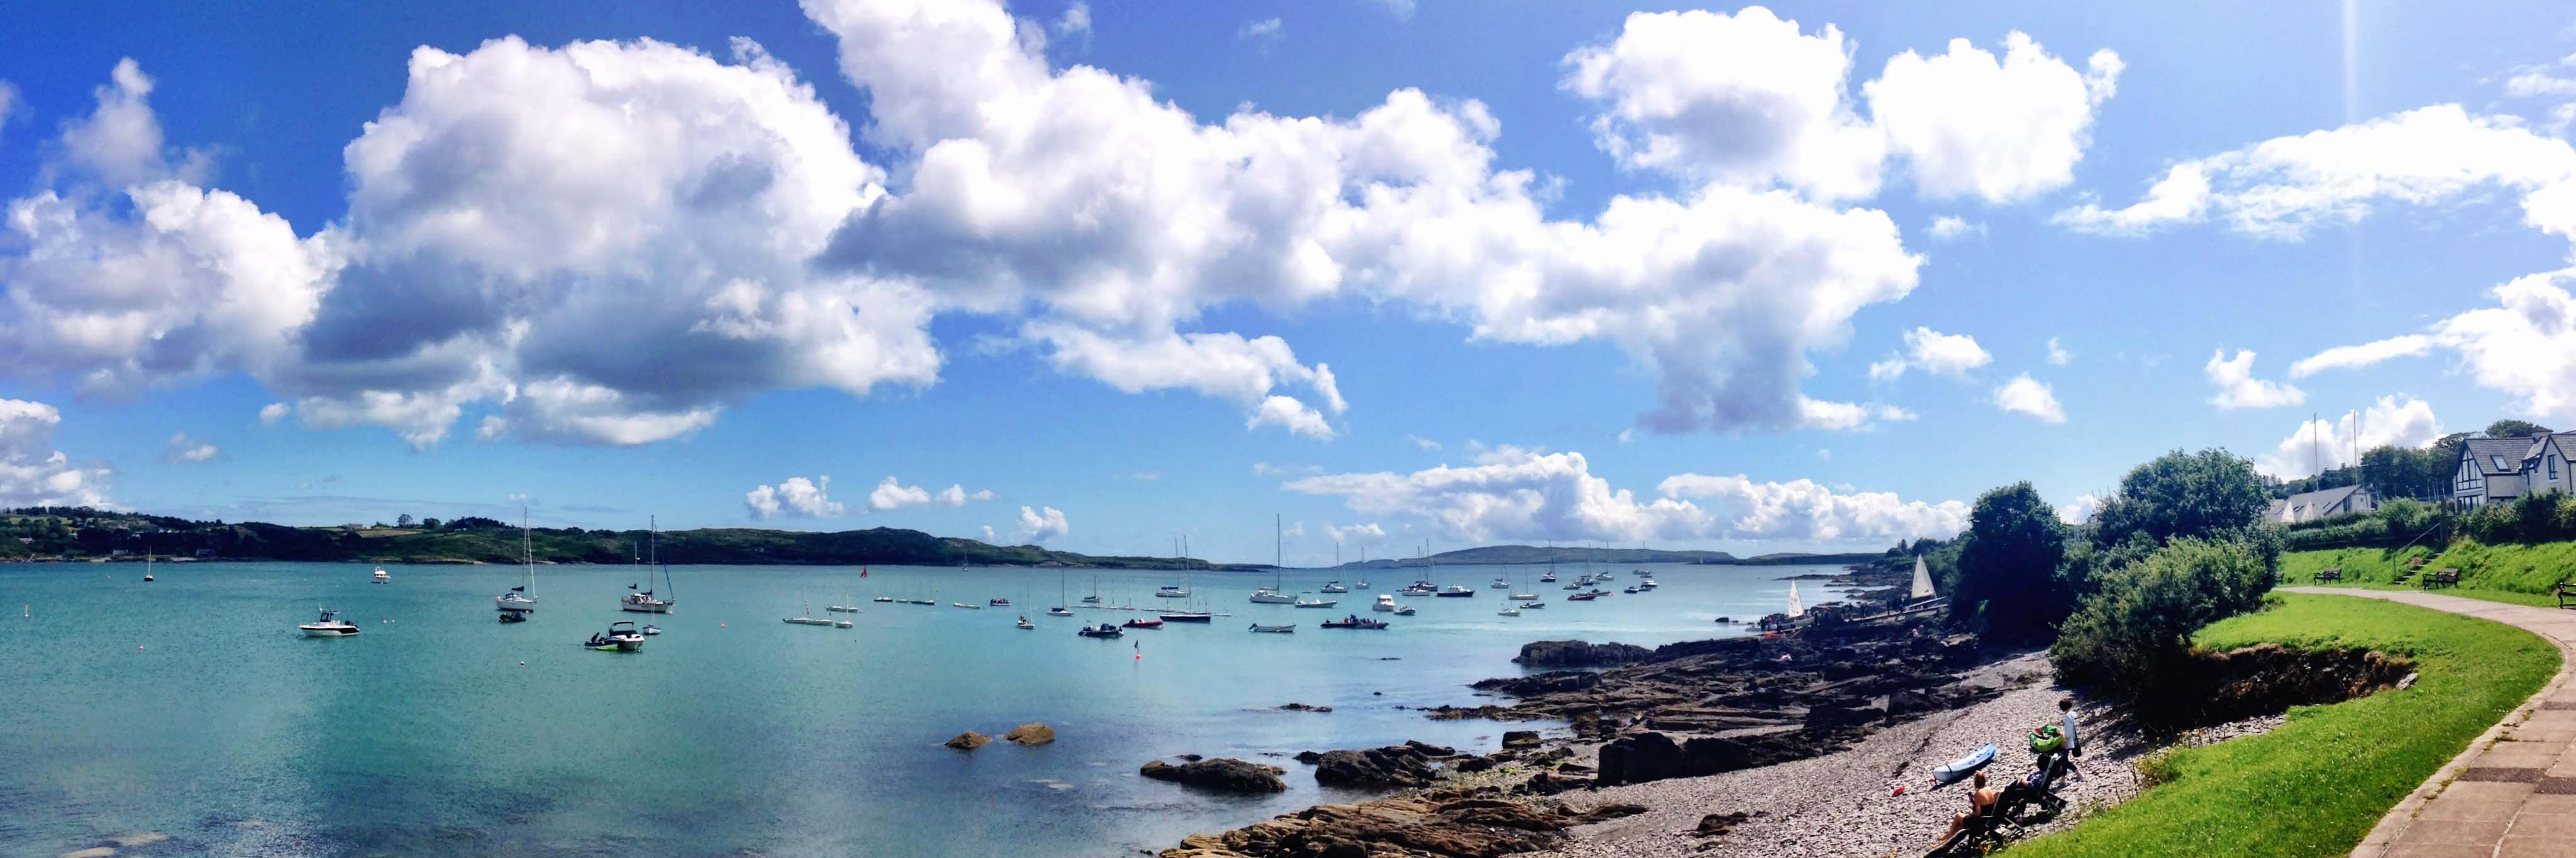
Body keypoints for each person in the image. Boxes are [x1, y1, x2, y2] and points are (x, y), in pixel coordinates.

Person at [1934, 771, 2006, 845]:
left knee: (1958, 815)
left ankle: (1948, 834)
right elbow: (1986, 806)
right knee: (1959, 827)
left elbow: (1978, 813)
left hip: (1981, 822)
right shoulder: (1989, 790)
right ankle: (1942, 843)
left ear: (1976, 782)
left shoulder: (1978, 794)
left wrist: (1971, 813)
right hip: (1989, 819)